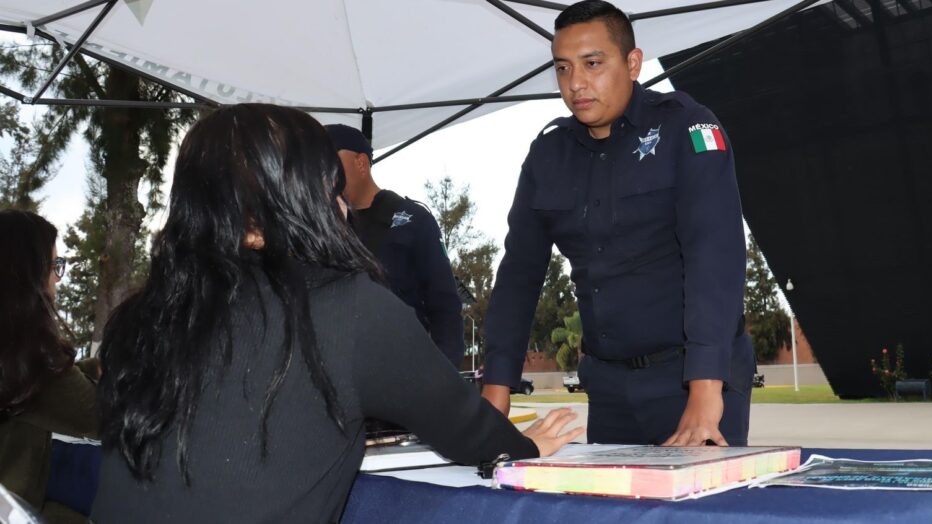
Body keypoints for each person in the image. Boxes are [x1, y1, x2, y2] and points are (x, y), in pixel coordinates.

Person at [91, 104, 582, 523]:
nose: (343, 206)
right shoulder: (350, 309)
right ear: (280, 209)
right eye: (329, 190)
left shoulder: (143, 318)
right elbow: (466, 429)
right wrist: (523, 447)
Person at [481, 0, 754, 447]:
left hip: (690, 381)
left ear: (633, 63)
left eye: (592, 64)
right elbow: (518, 277)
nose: (576, 83)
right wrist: (495, 396)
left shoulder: (687, 128)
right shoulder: (548, 155)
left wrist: (706, 393)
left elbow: (715, 257)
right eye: (563, 68)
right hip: (609, 388)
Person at [324, 124, 465, 368]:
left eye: (330, 162)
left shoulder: (412, 220)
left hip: (404, 370)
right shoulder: (323, 230)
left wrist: (443, 377)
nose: (323, 173)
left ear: (361, 164)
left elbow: (445, 307)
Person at [0, 209, 100, 524]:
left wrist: (95, 367)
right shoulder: (24, 350)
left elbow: (57, 386)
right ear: (28, 275)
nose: (57, 278)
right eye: (54, 266)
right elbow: (97, 413)